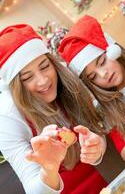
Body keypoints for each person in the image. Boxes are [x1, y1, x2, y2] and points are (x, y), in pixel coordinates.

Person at [0, 24, 107, 194]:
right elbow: (33, 189)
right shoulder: (7, 118)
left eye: (44, 67)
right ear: (15, 87)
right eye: (27, 77)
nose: (43, 81)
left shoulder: (67, 82)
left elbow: (96, 129)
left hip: (106, 182)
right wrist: (49, 168)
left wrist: (97, 146)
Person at [58, 15, 125, 163]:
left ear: (113, 49)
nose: (103, 74)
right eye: (93, 77)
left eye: (102, 62)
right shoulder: (105, 109)